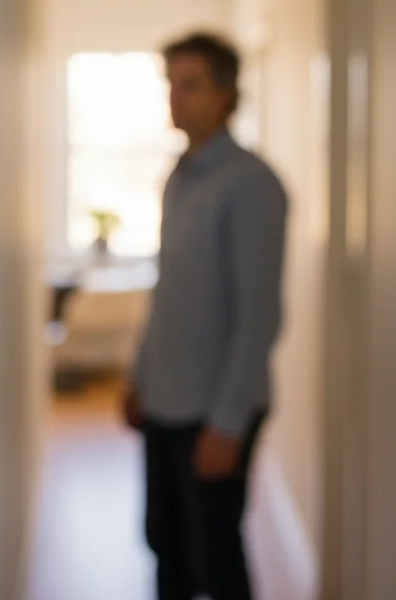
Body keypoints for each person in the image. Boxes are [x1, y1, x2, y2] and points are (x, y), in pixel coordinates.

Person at [124, 32, 288, 600]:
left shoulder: (250, 184)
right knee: (164, 541)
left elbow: (260, 313)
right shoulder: (179, 177)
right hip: (166, 397)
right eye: (171, 84)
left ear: (226, 94)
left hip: (215, 407)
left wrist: (227, 422)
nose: (176, 97)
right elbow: (168, 290)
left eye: (190, 84)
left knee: (214, 559)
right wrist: (138, 376)